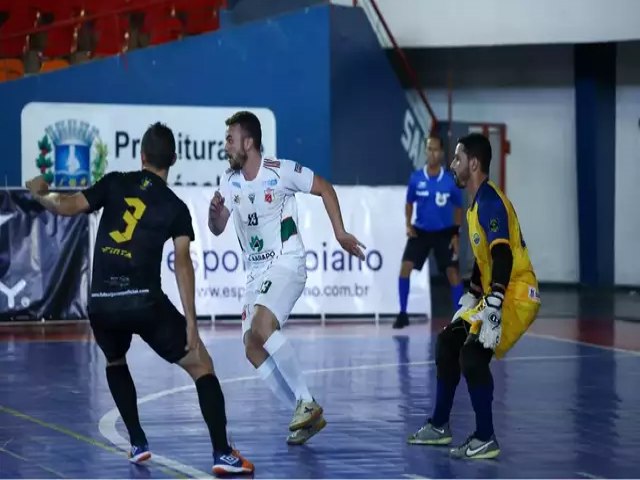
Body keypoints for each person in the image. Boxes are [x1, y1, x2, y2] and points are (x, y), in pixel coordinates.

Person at [25, 122, 254, 476]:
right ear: (173, 160)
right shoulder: (175, 206)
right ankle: (222, 454)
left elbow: (67, 206)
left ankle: (137, 442)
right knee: (202, 366)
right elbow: (182, 263)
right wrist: (191, 322)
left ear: (142, 156)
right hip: (144, 302)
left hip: (101, 302)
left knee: (115, 360)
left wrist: (41, 194)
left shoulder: (115, 182)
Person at [208, 111, 365, 445]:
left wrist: (339, 232)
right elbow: (218, 227)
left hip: (285, 262)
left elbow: (324, 187)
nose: (226, 146)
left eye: (230, 140)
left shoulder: (279, 171)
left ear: (248, 143)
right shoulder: (228, 180)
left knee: (263, 328)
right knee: (251, 346)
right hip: (255, 274)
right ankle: (302, 412)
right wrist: (213, 215)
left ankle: (306, 400)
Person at [406, 133, 541, 459]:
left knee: (473, 355)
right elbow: (486, 262)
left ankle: (485, 437)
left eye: (457, 158)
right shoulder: (475, 204)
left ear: (474, 163)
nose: (453, 164)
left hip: (518, 294)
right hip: (499, 290)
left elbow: (504, 256)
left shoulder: (491, 202)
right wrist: (473, 294)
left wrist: (492, 303)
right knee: (448, 342)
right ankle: (439, 426)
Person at [394, 135, 464, 329]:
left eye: (435, 150)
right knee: (405, 267)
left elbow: (459, 207)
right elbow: (409, 203)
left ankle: (459, 318)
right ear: (425, 152)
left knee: (453, 273)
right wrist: (408, 224)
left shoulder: (450, 180)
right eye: (429, 149)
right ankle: (402, 313)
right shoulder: (416, 178)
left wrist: (455, 234)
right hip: (421, 231)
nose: (431, 153)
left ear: (441, 153)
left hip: (444, 232)